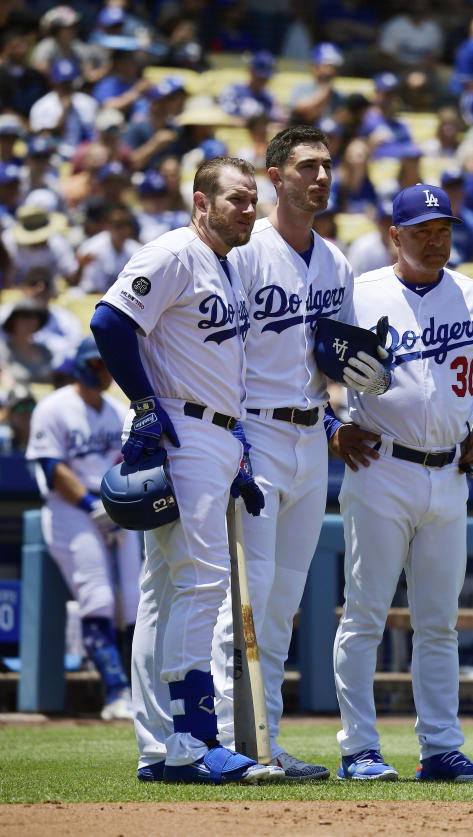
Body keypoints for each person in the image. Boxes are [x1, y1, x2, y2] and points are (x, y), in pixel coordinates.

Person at [90, 156, 285, 785]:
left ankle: (161, 746)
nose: (248, 210)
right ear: (200, 202)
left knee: (168, 592)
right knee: (200, 586)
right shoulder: (175, 252)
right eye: (236, 199)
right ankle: (193, 740)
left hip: (214, 434)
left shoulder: (223, 266)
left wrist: (239, 452)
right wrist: (144, 406)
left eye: (253, 199)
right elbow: (109, 320)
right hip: (182, 428)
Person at [211, 125, 389, 779]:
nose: (321, 176)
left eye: (328, 166)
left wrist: (364, 382)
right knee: (249, 594)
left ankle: (268, 740)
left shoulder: (336, 263)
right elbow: (219, 349)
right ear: (275, 174)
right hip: (253, 429)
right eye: (307, 165)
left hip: (313, 435)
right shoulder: (247, 252)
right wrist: (226, 435)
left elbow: (334, 358)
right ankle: (231, 742)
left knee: (284, 598)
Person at [332, 183, 473, 780]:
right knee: (364, 616)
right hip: (380, 467)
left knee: (439, 622)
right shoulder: (358, 296)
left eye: (442, 230)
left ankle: (440, 747)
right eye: (421, 231)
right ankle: (359, 747)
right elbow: (308, 371)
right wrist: (333, 427)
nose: (435, 240)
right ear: (395, 235)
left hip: (449, 474)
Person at [25, 335, 142, 720]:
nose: (103, 371)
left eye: (106, 363)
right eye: (95, 364)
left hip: (116, 503)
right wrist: (92, 507)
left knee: (135, 600)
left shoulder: (116, 409)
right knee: (98, 598)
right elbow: (51, 467)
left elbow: (130, 461)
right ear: (79, 366)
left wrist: (116, 507)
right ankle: (116, 692)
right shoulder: (53, 407)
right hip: (71, 508)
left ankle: (138, 691)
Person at [76, 202, 141, 293]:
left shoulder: (137, 250)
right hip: (91, 298)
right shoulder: (92, 248)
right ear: (108, 225)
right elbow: (91, 287)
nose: (124, 230)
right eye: (118, 225)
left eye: (127, 225)